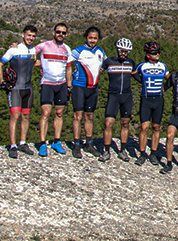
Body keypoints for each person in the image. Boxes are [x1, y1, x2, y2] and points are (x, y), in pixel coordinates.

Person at [0, 25, 37, 159]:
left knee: (26, 116)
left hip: (28, 88)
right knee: (15, 116)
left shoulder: (34, 50)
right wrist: (2, 82)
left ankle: (23, 143)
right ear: (23, 35)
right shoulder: (14, 50)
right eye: (29, 35)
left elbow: (34, 63)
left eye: (33, 36)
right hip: (15, 88)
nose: (31, 38)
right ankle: (13, 145)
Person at [33, 23, 73, 157]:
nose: (60, 34)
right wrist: (15, 47)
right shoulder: (44, 46)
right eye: (58, 32)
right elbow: (29, 52)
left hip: (61, 84)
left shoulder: (67, 49)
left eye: (63, 32)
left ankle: (56, 141)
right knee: (45, 113)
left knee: (59, 113)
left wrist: (69, 86)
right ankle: (43, 143)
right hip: (47, 84)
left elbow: (68, 69)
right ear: (53, 33)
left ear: (66, 34)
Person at [68, 26, 107, 159]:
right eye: (90, 38)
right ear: (86, 37)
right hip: (79, 87)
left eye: (95, 38)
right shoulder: (78, 51)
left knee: (89, 116)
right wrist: (69, 82)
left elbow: (104, 66)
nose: (92, 40)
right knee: (78, 116)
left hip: (93, 88)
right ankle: (77, 144)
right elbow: (66, 64)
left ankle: (89, 143)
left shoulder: (100, 51)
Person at [132, 41, 169, 166]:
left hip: (158, 99)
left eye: (158, 52)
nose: (157, 54)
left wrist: (165, 88)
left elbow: (171, 79)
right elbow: (133, 73)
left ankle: (153, 154)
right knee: (144, 127)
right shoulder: (142, 66)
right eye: (154, 53)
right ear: (148, 55)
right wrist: (142, 83)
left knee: (156, 127)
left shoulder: (163, 66)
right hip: (146, 99)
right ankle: (142, 154)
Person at [99, 37, 135, 162]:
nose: (123, 53)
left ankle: (122, 150)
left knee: (125, 123)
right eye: (121, 50)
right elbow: (96, 73)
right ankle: (106, 151)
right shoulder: (108, 62)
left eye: (126, 51)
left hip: (126, 96)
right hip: (113, 95)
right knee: (108, 123)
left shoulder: (131, 63)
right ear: (118, 50)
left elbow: (139, 78)